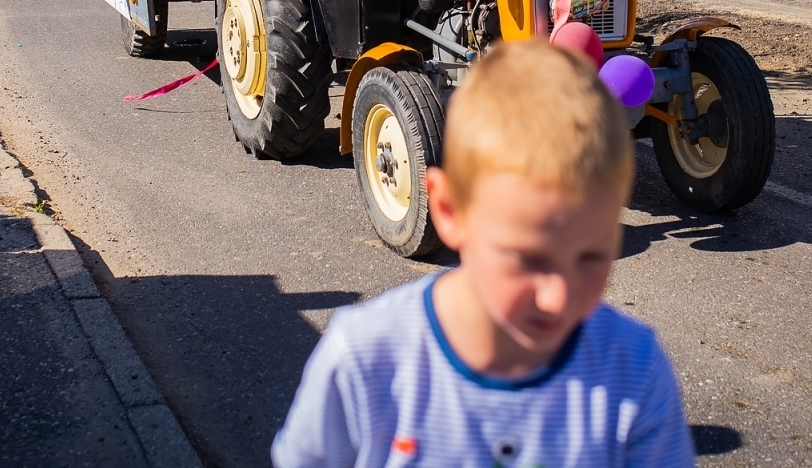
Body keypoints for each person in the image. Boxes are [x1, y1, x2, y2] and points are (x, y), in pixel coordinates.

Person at [273, 41, 694, 468]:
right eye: (528, 259)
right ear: (449, 210)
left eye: (592, 257)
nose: (558, 298)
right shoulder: (364, 362)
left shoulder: (635, 370)